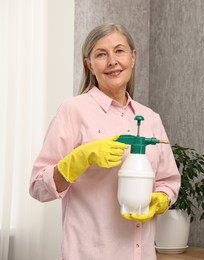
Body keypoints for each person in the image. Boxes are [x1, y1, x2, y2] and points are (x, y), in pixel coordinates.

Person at [29, 23, 181, 260]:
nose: (112, 61)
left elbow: (169, 181)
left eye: (119, 51)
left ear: (133, 57)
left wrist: (160, 199)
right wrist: (79, 159)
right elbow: (38, 187)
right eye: (101, 54)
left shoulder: (151, 118)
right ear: (89, 65)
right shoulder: (72, 111)